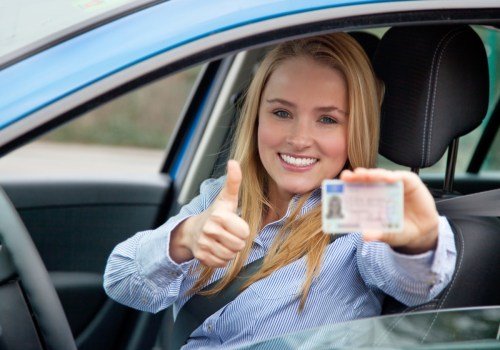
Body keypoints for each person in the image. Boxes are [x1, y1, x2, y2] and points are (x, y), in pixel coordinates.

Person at [103, 33, 456, 348]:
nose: (299, 139)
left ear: (356, 130)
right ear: (257, 117)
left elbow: (415, 282)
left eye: (328, 119)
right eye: (282, 113)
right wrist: (185, 238)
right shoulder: (222, 198)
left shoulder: (357, 205)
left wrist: (420, 242)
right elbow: (120, 280)